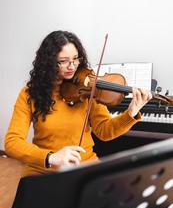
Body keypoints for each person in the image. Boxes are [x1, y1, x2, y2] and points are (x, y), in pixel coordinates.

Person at [5, 30, 152, 178]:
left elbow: (105, 131)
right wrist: (51, 157)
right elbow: (12, 142)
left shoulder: (88, 88)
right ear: (48, 63)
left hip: (85, 165)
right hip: (43, 169)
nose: (72, 66)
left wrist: (130, 113)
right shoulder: (29, 94)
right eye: (63, 61)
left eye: (75, 59)